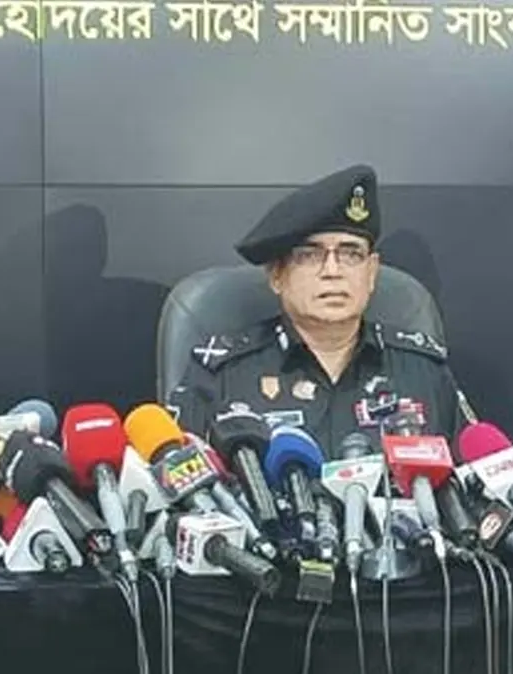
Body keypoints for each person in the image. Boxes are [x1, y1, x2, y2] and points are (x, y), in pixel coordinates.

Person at [166, 165, 477, 456]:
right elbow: (174, 480)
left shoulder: (424, 371)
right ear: (277, 275)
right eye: (310, 255)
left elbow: (477, 482)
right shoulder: (221, 375)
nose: (333, 271)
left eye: (351, 254)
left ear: (371, 272)